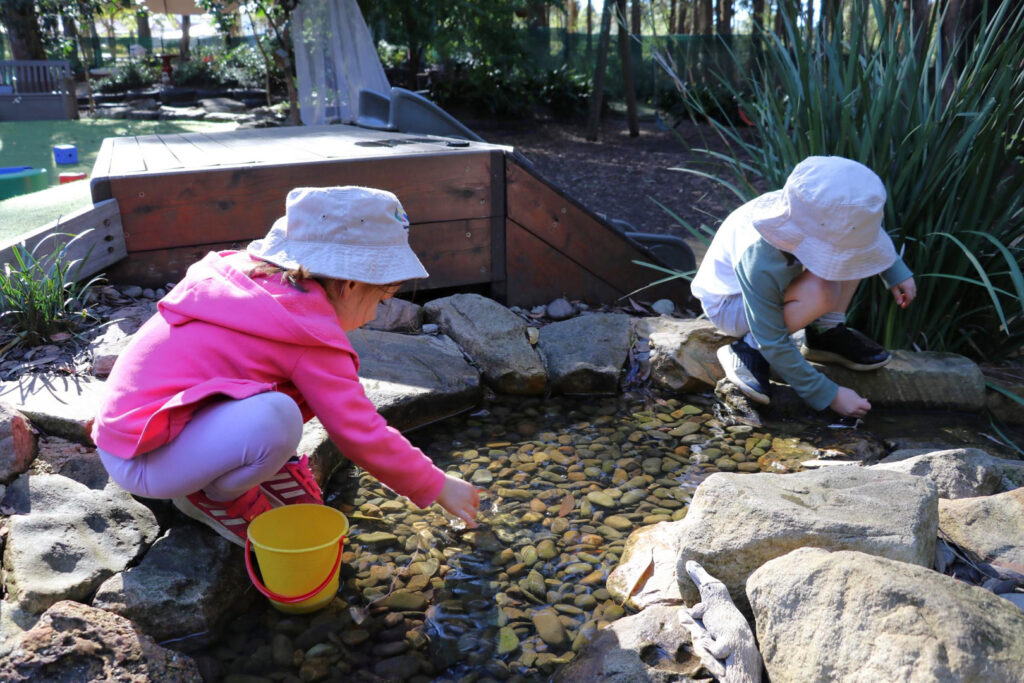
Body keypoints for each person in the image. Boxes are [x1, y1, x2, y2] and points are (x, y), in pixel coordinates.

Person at [91, 186, 480, 546]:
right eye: (380, 300)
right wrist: (436, 484)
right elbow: (360, 431)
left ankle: (251, 468)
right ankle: (216, 497)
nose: (375, 315)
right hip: (147, 460)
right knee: (278, 417)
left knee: (272, 410)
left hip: (133, 433)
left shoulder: (249, 284)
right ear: (351, 286)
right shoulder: (304, 332)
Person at [690, 156, 917, 418]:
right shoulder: (760, 257)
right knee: (822, 292)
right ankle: (747, 349)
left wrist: (894, 270)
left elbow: (861, 235)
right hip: (732, 304)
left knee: (851, 258)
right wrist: (830, 394)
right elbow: (773, 341)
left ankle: (825, 332)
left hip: (775, 286)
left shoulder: (817, 210)